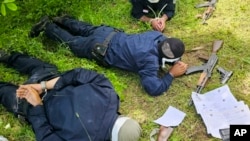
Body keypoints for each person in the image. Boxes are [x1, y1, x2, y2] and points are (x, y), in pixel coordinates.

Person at [29, 15, 188, 96]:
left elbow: (168, 45)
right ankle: (48, 27)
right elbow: (153, 88)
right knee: (72, 42)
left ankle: (63, 19)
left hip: (109, 33)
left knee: (85, 28)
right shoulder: (149, 62)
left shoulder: (155, 36)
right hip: (99, 49)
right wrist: (171, 74)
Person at [0, 50, 142, 141]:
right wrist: (38, 99)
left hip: (45, 84)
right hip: (33, 100)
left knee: (34, 66)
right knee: (5, 91)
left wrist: (42, 89)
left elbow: (79, 74)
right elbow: (46, 136)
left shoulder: (109, 95)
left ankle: (7, 56)